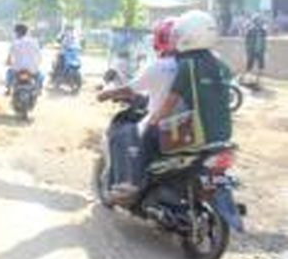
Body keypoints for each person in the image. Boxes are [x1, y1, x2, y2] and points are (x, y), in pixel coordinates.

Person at [97, 17, 179, 202]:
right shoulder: (192, 64)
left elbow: (130, 89)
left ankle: (127, 183)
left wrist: (106, 94)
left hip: (160, 121)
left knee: (121, 134)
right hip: (187, 123)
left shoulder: (160, 66)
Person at [154, 10, 233, 150]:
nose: (175, 38)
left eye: (178, 34)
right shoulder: (223, 65)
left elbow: (168, 105)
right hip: (224, 135)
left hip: (197, 137)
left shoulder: (188, 65)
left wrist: (151, 123)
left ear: (190, 36)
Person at [5, 23, 42, 95]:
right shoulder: (34, 42)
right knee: (41, 75)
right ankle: (39, 89)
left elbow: (9, 59)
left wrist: (8, 63)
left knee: (9, 73)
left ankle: (8, 89)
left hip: (17, 69)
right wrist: (36, 64)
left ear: (17, 33)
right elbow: (39, 57)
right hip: (32, 70)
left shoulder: (14, 43)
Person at [244, 14, 268, 87]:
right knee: (249, 65)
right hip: (252, 50)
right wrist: (248, 50)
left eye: (260, 21)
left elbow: (264, 40)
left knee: (260, 66)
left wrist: (264, 50)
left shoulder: (263, 30)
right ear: (254, 21)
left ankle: (259, 81)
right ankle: (248, 80)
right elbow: (247, 41)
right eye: (257, 20)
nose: (259, 22)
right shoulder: (250, 30)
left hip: (260, 50)